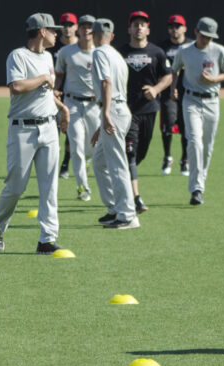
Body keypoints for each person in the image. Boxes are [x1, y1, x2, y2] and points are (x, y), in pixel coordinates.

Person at [0, 13, 69, 254]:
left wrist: (62, 108)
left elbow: (47, 93)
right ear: (42, 31)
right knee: (15, 187)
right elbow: (16, 87)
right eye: (53, 30)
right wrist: (44, 77)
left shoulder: (48, 57)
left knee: (49, 186)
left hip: (49, 127)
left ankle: (47, 239)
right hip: (23, 129)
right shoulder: (18, 55)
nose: (57, 33)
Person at [170, 17, 224, 205]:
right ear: (196, 32)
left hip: (212, 101)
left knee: (207, 146)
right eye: (204, 35)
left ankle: (201, 180)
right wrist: (174, 86)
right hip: (190, 99)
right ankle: (196, 188)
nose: (207, 40)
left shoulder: (219, 50)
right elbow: (175, 69)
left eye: (210, 37)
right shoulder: (184, 50)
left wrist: (215, 79)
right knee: (194, 140)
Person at [118, 11, 172, 213]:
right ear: (129, 29)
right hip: (127, 111)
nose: (139, 27)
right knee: (130, 154)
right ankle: (135, 198)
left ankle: (126, 179)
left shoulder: (157, 52)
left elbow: (167, 76)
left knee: (140, 155)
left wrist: (156, 89)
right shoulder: (120, 52)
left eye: (142, 24)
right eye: (135, 24)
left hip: (149, 110)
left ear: (148, 29)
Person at [90, 19, 140, 229]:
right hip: (120, 109)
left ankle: (127, 215)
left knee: (116, 163)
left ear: (93, 34)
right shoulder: (116, 54)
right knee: (100, 161)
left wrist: (106, 114)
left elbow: (106, 82)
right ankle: (114, 208)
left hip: (114, 111)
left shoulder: (99, 52)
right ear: (111, 35)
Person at [54, 14, 98, 201]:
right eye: (83, 26)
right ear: (77, 29)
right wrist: (55, 91)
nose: (86, 30)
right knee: (76, 145)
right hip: (72, 103)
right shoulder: (66, 52)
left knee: (93, 148)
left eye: (90, 27)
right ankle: (83, 187)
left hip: (94, 105)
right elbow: (59, 75)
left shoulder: (101, 52)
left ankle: (88, 161)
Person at [158, 14, 193, 176]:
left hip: (187, 92)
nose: (174, 29)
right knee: (168, 124)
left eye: (178, 26)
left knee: (186, 126)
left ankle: (185, 159)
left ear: (184, 28)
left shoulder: (191, 46)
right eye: (171, 26)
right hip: (167, 93)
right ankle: (167, 156)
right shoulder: (162, 48)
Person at [49, 12, 78, 180]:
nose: (67, 28)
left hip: (72, 96)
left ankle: (66, 162)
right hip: (54, 94)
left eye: (70, 25)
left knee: (70, 132)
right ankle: (54, 165)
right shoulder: (52, 47)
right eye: (64, 25)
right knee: (54, 131)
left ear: (76, 27)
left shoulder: (79, 48)